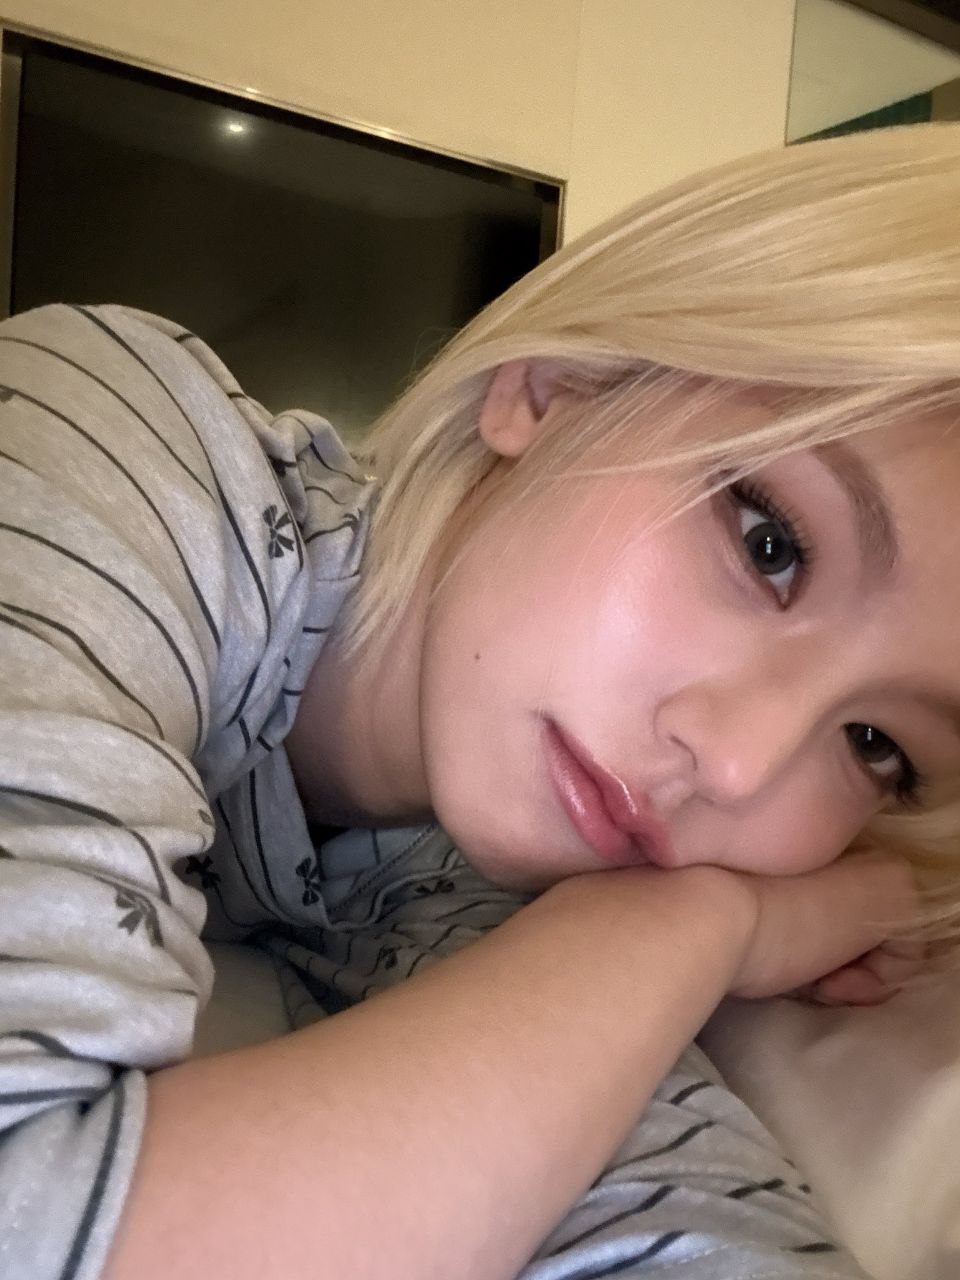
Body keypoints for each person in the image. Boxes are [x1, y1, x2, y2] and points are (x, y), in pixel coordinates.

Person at [1, 120, 958, 1280]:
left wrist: (668, 933)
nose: (742, 766)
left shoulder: (507, 890)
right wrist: (701, 930)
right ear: (557, 383)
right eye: (769, 543)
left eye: (875, 742)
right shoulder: (107, 440)